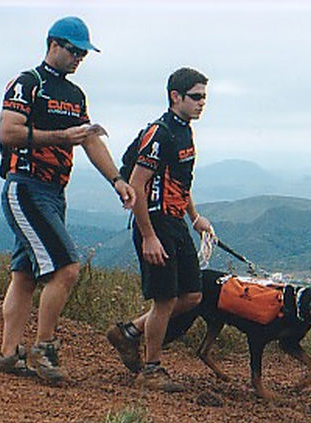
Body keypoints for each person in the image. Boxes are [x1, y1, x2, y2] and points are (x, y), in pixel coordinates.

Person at [0, 16, 135, 384]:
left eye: (84, 54)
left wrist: (117, 180)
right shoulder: (29, 84)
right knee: (66, 269)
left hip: (54, 192)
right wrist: (60, 136)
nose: (79, 59)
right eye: (74, 51)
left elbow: (88, 139)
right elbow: (8, 132)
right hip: (25, 186)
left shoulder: (75, 95)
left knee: (24, 275)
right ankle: (44, 348)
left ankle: (9, 356)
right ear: (53, 44)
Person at [107, 67, 212, 392]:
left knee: (192, 295)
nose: (201, 103)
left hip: (176, 220)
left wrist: (194, 217)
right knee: (165, 301)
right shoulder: (160, 132)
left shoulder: (185, 132)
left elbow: (181, 181)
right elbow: (137, 185)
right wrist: (149, 235)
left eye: (204, 97)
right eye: (196, 97)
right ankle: (151, 370)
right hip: (156, 221)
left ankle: (129, 333)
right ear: (175, 96)